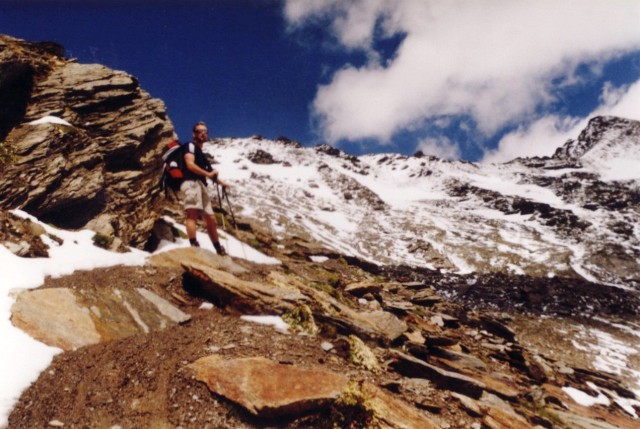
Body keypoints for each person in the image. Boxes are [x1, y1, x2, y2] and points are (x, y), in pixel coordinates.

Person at [181, 121, 229, 255]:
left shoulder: (202, 155)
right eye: (199, 131)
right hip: (190, 182)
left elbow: (211, 175)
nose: (203, 134)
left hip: (201, 185)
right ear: (194, 134)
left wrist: (221, 183)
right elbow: (189, 164)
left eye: (205, 131)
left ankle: (219, 249)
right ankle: (194, 245)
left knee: (211, 219)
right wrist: (208, 174)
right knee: (192, 213)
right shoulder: (190, 146)